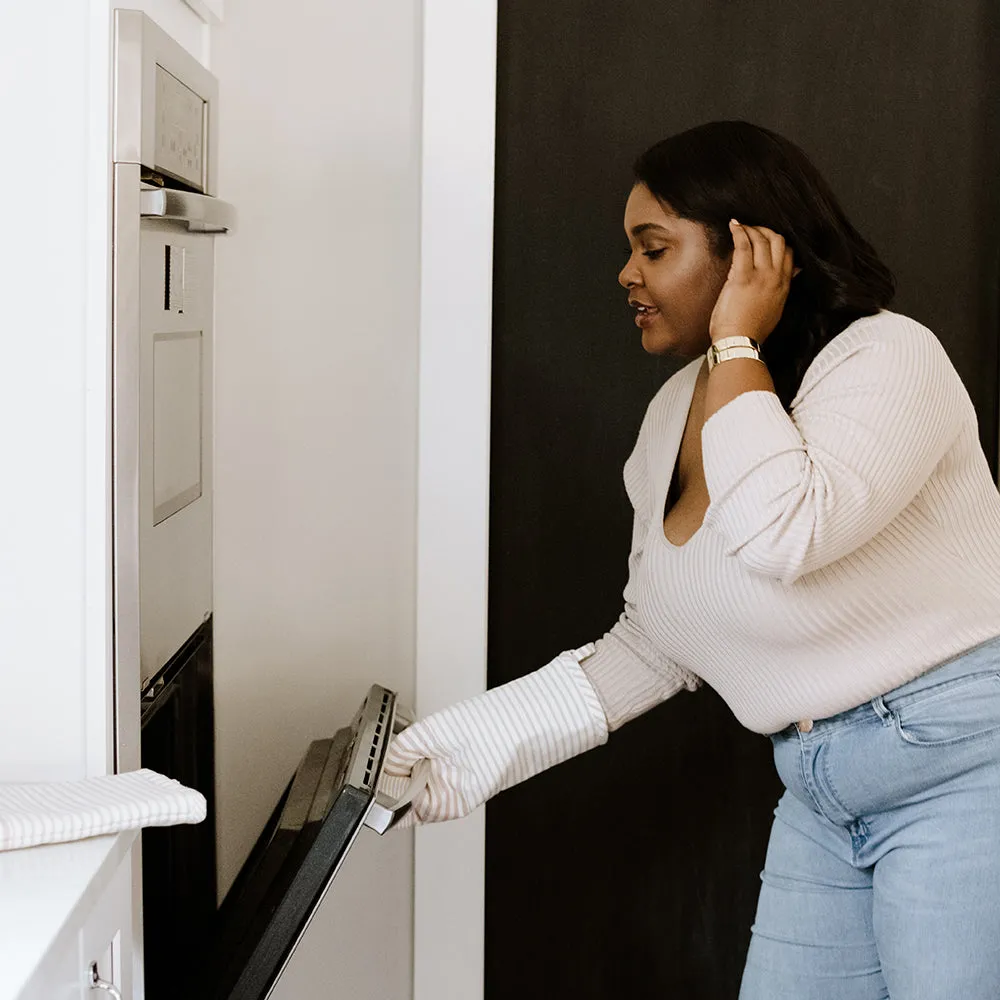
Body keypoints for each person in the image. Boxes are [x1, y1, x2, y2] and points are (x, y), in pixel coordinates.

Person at [378, 120, 1000, 998]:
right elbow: (656, 642)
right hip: (821, 788)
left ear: (753, 249)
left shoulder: (888, 356)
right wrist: (461, 752)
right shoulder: (678, 410)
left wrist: (740, 342)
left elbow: (789, 532)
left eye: (654, 248)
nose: (627, 275)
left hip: (963, 767)